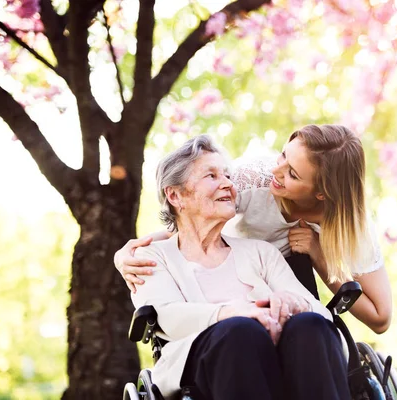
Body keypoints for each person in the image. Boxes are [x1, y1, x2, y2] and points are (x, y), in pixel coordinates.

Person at [118, 124, 392, 334]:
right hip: (225, 283)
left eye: (293, 174)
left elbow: (380, 318)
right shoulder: (251, 178)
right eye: (283, 156)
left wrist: (320, 257)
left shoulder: (351, 228)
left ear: (322, 193)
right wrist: (127, 254)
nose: (277, 171)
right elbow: (189, 223)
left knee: (311, 325)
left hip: (286, 291)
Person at [132, 135, 349, 399]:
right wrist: (234, 312)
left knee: (310, 326)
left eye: (227, 176)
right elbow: (167, 317)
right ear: (176, 195)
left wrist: (293, 304)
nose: (228, 184)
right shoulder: (151, 257)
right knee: (240, 331)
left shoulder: (260, 252)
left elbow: (322, 316)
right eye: (211, 176)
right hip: (203, 366)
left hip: (279, 358)